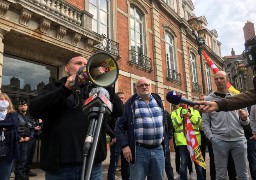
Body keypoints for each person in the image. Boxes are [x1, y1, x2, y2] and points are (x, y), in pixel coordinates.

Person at [29, 56, 123, 180]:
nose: (83, 66)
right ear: (67, 68)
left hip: (92, 166)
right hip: (60, 169)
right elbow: (34, 109)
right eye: (78, 63)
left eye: (86, 63)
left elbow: (119, 111)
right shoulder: (54, 87)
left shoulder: (95, 90)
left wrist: (106, 86)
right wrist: (65, 89)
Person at [115, 77, 167, 180]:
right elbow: (119, 126)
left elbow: (164, 122)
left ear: (150, 87)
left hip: (158, 150)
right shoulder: (130, 104)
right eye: (141, 85)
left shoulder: (158, 100)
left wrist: (166, 140)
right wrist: (125, 146)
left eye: (146, 85)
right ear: (136, 88)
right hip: (139, 151)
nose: (144, 87)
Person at [202, 71, 249, 180]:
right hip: (219, 141)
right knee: (220, 175)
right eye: (216, 79)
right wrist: (212, 138)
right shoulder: (208, 99)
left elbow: (246, 122)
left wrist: (244, 118)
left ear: (227, 80)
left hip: (239, 140)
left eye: (221, 78)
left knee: (243, 174)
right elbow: (205, 122)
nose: (219, 81)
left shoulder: (238, 97)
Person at [171, 96, 204, 180]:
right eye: (181, 100)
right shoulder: (175, 113)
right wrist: (181, 117)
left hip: (194, 141)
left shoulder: (195, 111)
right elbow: (174, 125)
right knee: (184, 162)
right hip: (182, 141)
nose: (183, 102)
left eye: (185, 100)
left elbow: (200, 124)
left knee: (198, 163)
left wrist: (190, 116)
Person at [107, 92, 129, 180]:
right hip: (116, 141)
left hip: (126, 142)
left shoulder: (127, 110)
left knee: (126, 165)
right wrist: (113, 135)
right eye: (119, 98)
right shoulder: (111, 110)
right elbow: (106, 124)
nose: (121, 99)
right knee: (114, 164)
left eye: (123, 98)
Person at [0, 93, 20, 180]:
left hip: (7, 151)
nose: (4, 101)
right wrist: (5, 126)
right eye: (1, 99)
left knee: (4, 176)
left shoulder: (13, 114)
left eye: (6, 99)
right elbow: (10, 124)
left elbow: (14, 123)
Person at [15, 100, 35, 180]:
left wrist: (29, 137)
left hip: (26, 141)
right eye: (21, 105)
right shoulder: (15, 116)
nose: (23, 107)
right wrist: (19, 137)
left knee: (24, 158)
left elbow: (32, 129)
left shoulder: (29, 117)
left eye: (25, 105)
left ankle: (21, 174)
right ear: (18, 107)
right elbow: (12, 129)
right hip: (18, 141)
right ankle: (18, 175)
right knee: (17, 158)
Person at [164, 110, 174, 180]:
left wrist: (169, 137)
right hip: (154, 145)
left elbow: (171, 126)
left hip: (165, 143)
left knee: (167, 164)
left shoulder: (165, 113)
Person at [247, 104, 256, 179]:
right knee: (253, 160)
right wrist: (254, 132)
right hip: (251, 136)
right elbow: (252, 119)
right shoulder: (253, 105)